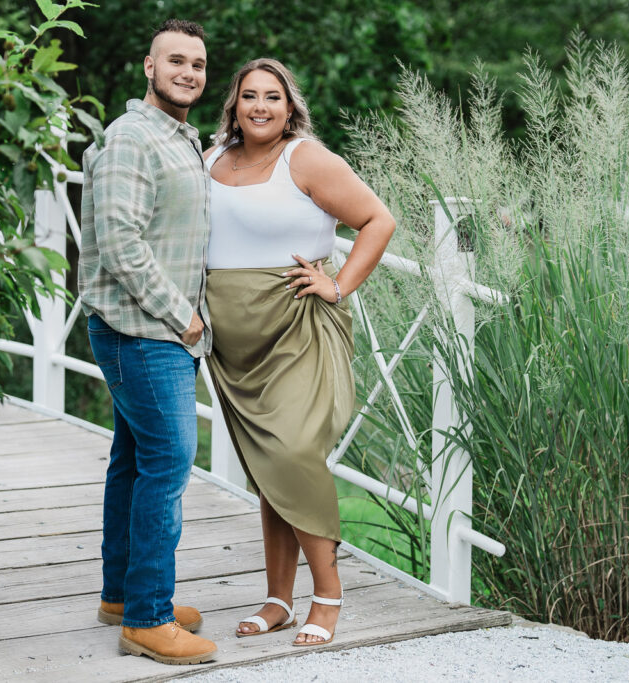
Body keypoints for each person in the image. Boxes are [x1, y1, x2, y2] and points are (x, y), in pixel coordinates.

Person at [203, 58, 395, 647]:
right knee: (268, 470)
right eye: (249, 96)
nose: (260, 106)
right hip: (232, 345)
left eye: (273, 97)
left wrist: (338, 285)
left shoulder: (304, 157)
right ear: (233, 105)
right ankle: (278, 599)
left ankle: (328, 594)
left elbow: (378, 220)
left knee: (293, 456)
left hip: (298, 329)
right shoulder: (209, 159)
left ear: (290, 107)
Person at [77, 19, 217, 666]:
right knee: (168, 462)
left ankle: (121, 594)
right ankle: (147, 618)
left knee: (133, 460)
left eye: (198, 63)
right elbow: (118, 241)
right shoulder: (134, 137)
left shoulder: (177, 137)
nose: (188, 72)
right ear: (148, 67)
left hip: (152, 328)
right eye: (176, 61)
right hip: (142, 328)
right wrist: (181, 315)